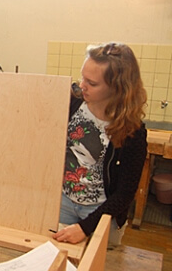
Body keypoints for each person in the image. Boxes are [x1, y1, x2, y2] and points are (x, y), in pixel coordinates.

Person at [52, 42, 147, 245]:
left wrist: (86, 227)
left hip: (102, 212)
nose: (82, 85)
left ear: (117, 87)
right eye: (82, 77)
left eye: (92, 83)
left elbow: (125, 193)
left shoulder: (133, 130)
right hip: (64, 202)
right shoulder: (73, 101)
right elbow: (25, 96)